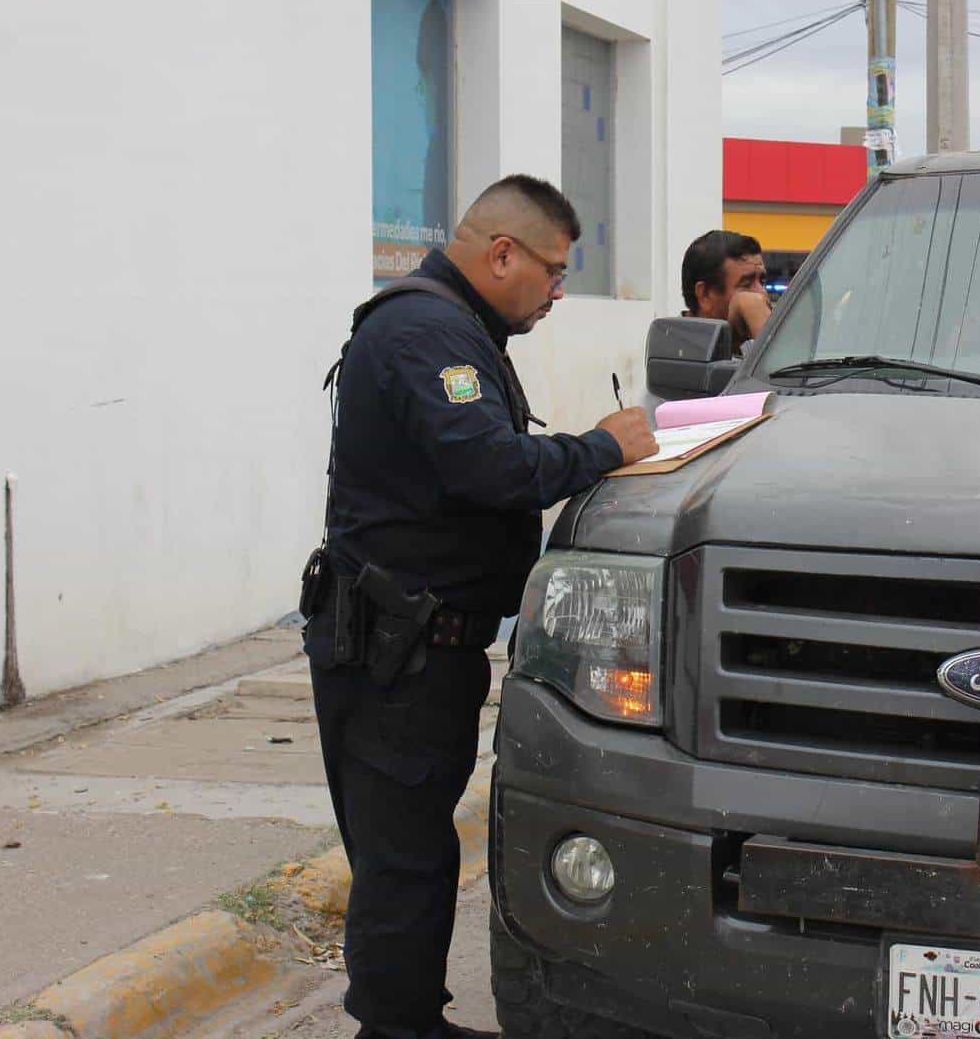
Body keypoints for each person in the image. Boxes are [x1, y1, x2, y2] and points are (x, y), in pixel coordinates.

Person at [302, 174, 656, 1039]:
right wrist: (603, 447)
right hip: (397, 653)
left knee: (412, 853)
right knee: (404, 861)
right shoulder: (426, 332)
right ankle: (396, 1029)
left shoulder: (451, 328)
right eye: (554, 271)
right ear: (503, 254)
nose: (558, 292)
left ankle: (406, 1020)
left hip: (417, 646)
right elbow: (488, 468)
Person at [681, 229, 771, 353]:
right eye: (746, 285)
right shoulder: (679, 352)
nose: (762, 294)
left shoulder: (745, 347)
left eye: (762, 282)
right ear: (705, 295)